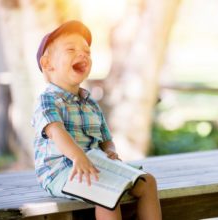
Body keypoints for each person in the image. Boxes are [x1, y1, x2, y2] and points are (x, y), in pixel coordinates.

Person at [32, 20, 162, 220]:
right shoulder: (47, 99)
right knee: (108, 191)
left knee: (147, 182)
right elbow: (56, 132)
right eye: (71, 49)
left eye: (87, 51)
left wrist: (110, 151)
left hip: (95, 165)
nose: (82, 54)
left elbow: (105, 137)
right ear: (48, 64)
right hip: (61, 172)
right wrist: (78, 157)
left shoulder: (89, 101)